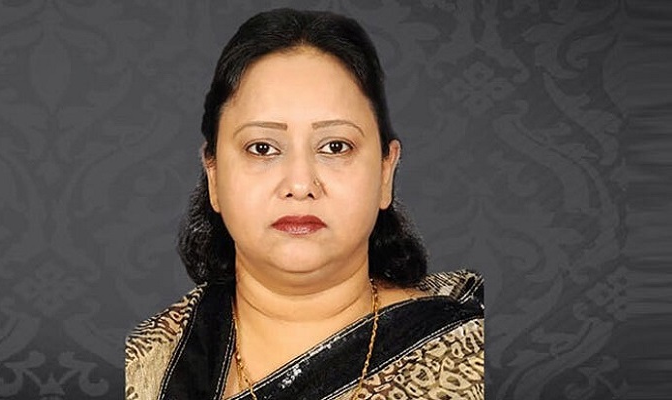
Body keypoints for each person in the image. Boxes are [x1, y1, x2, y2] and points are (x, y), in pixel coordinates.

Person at [125, 8, 483, 400]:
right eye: (262, 148)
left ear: (385, 173)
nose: (300, 185)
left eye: (335, 146)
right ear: (214, 175)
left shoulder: (469, 359)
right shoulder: (146, 364)